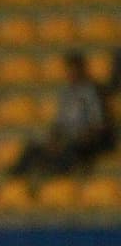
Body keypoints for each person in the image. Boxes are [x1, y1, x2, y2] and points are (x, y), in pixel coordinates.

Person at [9, 51, 114, 179]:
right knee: (34, 148)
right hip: (66, 136)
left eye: (74, 70)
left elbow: (99, 123)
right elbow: (60, 122)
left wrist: (81, 136)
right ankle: (13, 180)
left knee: (70, 148)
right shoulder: (66, 93)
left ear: (82, 69)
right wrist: (54, 138)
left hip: (86, 138)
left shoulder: (93, 91)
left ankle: (53, 177)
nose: (71, 74)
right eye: (69, 70)